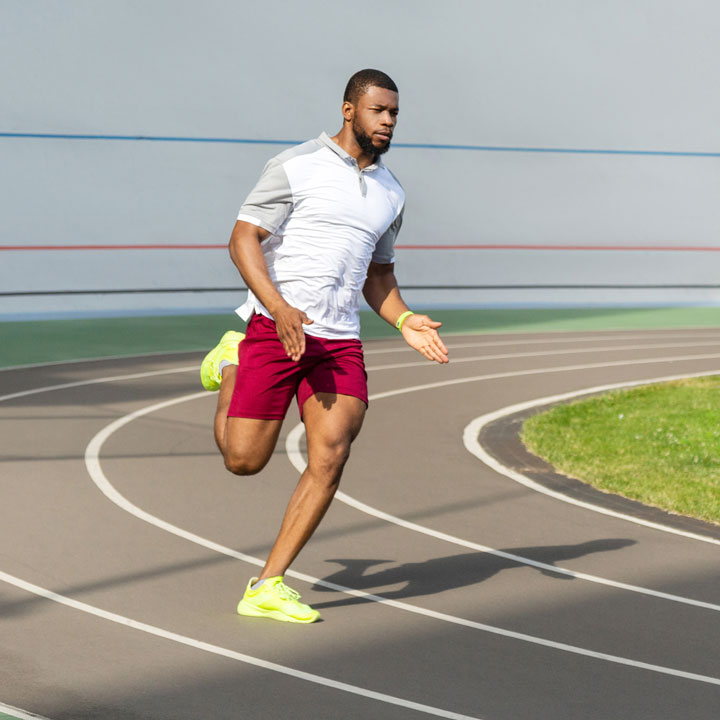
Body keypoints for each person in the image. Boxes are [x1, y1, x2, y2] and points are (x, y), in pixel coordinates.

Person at [200, 69, 449, 623]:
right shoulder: (296, 166)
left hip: (338, 342)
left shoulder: (392, 193)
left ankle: (267, 584)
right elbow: (242, 239)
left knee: (332, 452)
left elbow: (378, 277)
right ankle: (231, 361)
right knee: (243, 461)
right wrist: (278, 307)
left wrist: (404, 319)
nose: (388, 121)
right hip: (276, 328)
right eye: (378, 110)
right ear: (348, 110)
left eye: (394, 113)